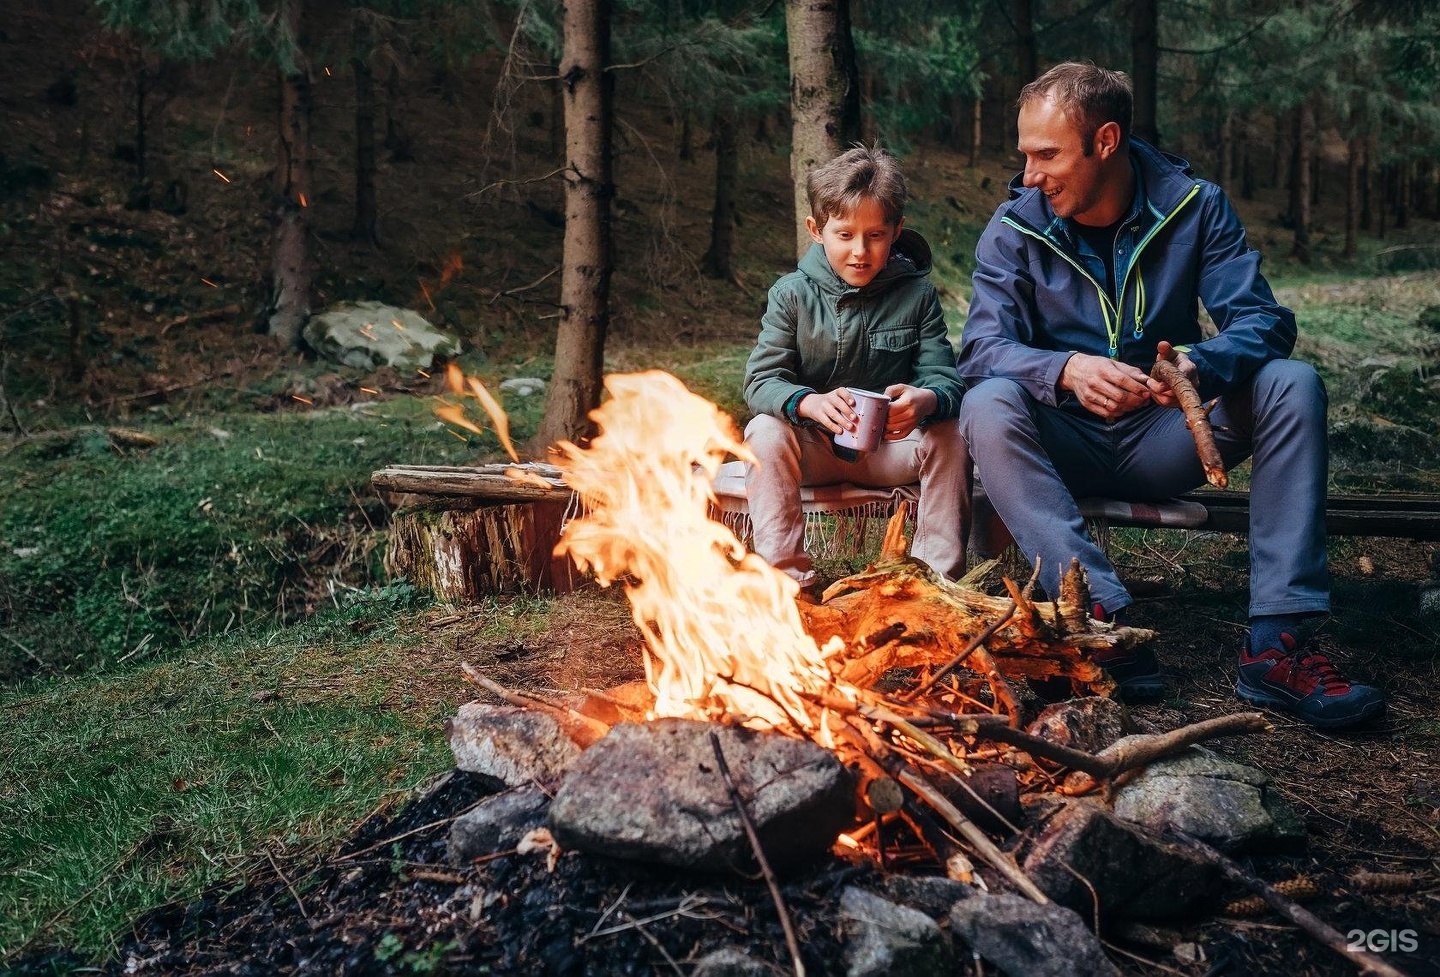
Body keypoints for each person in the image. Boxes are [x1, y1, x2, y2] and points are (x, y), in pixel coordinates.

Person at [958, 62, 1385, 728]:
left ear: (1105, 141)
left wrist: (1196, 364)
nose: (1031, 174)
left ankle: (1278, 644)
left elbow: (1265, 322)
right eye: (1026, 155)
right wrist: (1066, 368)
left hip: (1167, 438)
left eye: (1047, 155)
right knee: (986, 402)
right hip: (1058, 442)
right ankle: (1099, 617)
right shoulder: (1015, 227)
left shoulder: (1194, 206)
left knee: (1292, 384)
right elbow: (981, 350)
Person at [743, 145, 968, 598]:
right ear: (816, 230)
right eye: (844, 235)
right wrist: (808, 402)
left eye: (876, 236)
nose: (860, 251)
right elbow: (760, 381)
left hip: (891, 450)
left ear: (897, 231)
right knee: (764, 431)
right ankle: (787, 583)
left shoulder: (916, 295)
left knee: (951, 434)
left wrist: (925, 400)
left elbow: (945, 378)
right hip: (815, 451)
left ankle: (935, 585)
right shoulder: (791, 296)